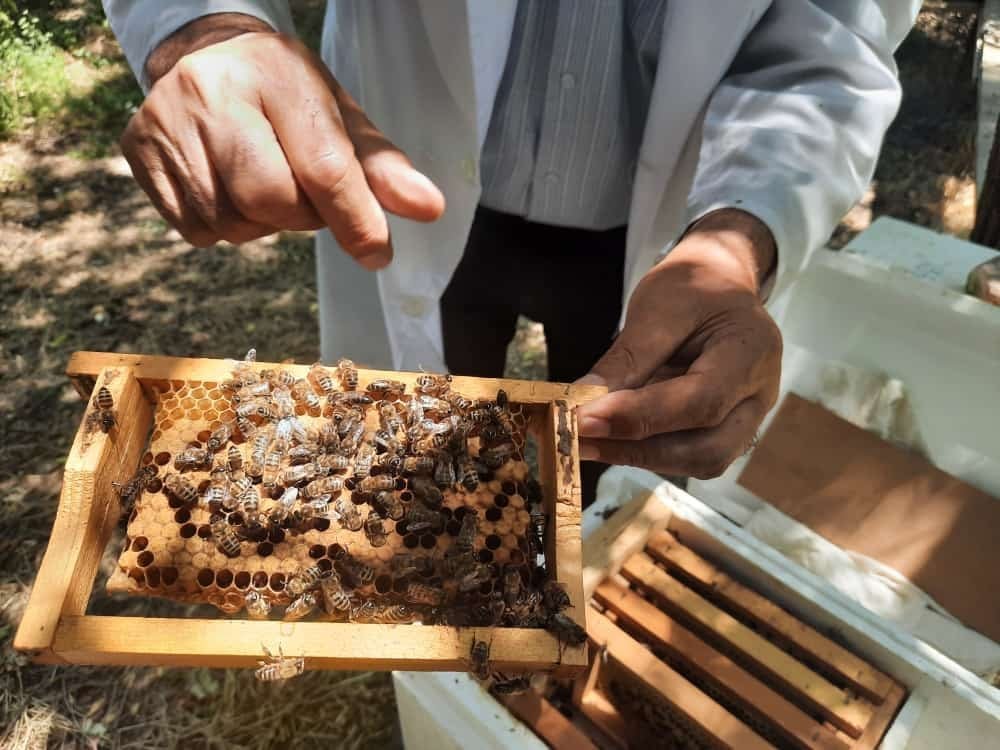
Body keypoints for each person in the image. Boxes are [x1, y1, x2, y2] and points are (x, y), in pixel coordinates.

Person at [103, 1, 920, 502]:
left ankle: (559, 593)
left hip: (648, 243)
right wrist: (201, 25)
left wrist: (737, 242)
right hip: (414, 182)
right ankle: (423, 576)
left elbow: (832, 43)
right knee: (411, 443)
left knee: (603, 447)